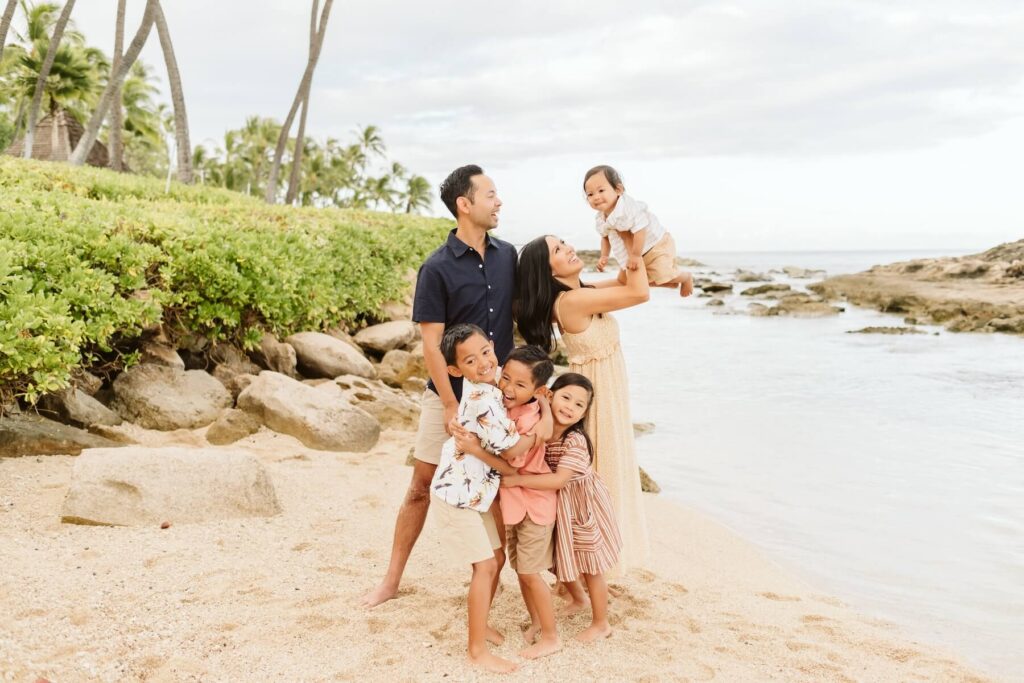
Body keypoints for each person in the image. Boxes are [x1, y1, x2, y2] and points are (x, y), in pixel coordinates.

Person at [361, 165, 517, 609]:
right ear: (465, 205)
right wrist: (451, 405)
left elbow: (536, 305)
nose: (499, 201)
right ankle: (391, 580)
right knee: (420, 485)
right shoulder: (436, 267)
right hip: (446, 397)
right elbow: (431, 345)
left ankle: (488, 579)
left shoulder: (509, 256)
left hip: (499, 398)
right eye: (490, 194)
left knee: (498, 487)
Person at [514, 234, 650, 573]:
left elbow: (624, 279)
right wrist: (632, 242)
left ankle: (597, 568)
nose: (569, 248)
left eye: (563, 242)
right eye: (557, 250)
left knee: (607, 473)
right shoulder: (571, 302)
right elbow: (639, 291)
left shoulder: (583, 292)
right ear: (547, 271)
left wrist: (628, 244)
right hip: (593, 394)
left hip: (608, 390)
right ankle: (586, 572)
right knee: (599, 477)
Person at [429, 324, 549, 674]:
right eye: (470, 359)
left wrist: (543, 403)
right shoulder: (484, 397)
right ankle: (476, 649)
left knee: (495, 559)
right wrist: (538, 432)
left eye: (485, 351)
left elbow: (528, 383)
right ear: (455, 370)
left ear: (493, 345)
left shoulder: (492, 378)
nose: (483, 362)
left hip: (475, 493)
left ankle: (480, 627)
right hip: (457, 496)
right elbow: (512, 451)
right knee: (485, 567)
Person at [455, 345, 560, 659]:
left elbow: (512, 454)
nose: (509, 389)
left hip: (533, 504)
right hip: (514, 503)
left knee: (529, 573)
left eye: (520, 385)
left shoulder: (530, 417)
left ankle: (551, 635)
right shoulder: (500, 403)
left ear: (537, 390)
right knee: (522, 570)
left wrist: (474, 449)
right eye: (507, 379)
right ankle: (539, 624)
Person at [501, 373, 621, 643]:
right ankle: (579, 599)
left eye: (579, 405)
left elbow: (560, 479)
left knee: (590, 565)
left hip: (581, 506)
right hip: (556, 503)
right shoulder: (541, 426)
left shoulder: (575, 440)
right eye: (566, 397)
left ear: (584, 413)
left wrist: (517, 479)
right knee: (561, 555)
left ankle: (601, 622)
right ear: (551, 396)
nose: (570, 407)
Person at [584, 164, 694, 297]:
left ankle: (685, 277)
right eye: (590, 194)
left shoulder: (628, 208)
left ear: (618, 189)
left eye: (601, 190)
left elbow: (640, 229)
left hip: (655, 246)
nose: (596, 197)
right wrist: (604, 256)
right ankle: (670, 283)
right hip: (634, 253)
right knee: (634, 282)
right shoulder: (601, 219)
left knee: (663, 273)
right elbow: (605, 237)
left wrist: (635, 255)